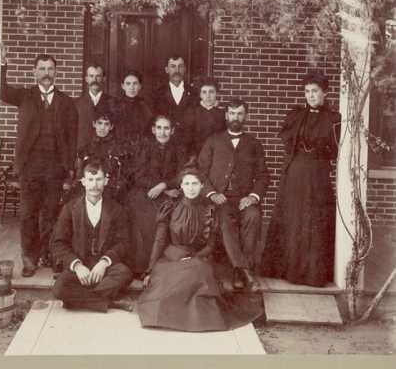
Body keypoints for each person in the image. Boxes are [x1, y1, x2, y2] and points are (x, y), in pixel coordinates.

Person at [137, 168, 263, 332]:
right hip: (172, 258)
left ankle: (193, 319)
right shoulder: (170, 207)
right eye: (187, 183)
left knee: (198, 274)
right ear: (181, 186)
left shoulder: (210, 210)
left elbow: (210, 245)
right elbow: (160, 240)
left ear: (202, 185)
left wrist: (192, 257)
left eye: (195, 183)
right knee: (169, 287)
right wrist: (149, 270)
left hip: (198, 259)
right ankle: (171, 315)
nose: (191, 188)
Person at [0, 44, 78, 277]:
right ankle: (30, 257)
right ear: (34, 72)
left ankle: (51, 254)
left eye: (50, 68)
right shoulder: (24, 96)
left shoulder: (66, 102)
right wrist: (3, 64)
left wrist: (69, 168)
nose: (46, 72)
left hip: (55, 167)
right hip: (30, 166)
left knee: (51, 213)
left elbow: (72, 138)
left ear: (56, 72)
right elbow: (1, 90)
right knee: (28, 214)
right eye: (42, 68)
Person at [261, 71, 341, 287]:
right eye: (307, 91)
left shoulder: (334, 119)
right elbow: (288, 143)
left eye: (315, 91)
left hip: (317, 173)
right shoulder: (296, 115)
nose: (310, 95)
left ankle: (311, 274)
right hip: (295, 172)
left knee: (313, 219)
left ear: (325, 92)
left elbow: (334, 150)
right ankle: (287, 269)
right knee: (293, 217)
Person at [198, 98, 269, 290]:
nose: (235, 117)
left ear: (246, 116)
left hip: (244, 198)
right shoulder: (213, 141)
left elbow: (263, 176)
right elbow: (200, 173)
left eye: (239, 113)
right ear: (226, 115)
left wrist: (252, 197)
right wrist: (212, 193)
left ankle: (239, 270)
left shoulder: (254, 144)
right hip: (220, 199)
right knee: (224, 219)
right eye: (231, 113)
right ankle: (244, 271)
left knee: (253, 216)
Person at [52, 159, 134, 312]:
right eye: (90, 179)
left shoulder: (116, 209)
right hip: (80, 266)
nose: (94, 185)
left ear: (106, 181)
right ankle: (109, 303)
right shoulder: (70, 209)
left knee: (124, 273)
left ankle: (77, 300)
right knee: (59, 288)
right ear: (83, 182)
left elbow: (124, 243)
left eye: (98, 180)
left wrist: (104, 262)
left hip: (105, 268)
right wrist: (77, 266)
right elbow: (58, 243)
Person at [126, 115, 187, 276]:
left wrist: (164, 186)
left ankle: (161, 266)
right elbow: (139, 175)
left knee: (168, 216)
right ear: (153, 130)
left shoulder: (179, 149)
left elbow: (182, 174)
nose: (162, 132)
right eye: (159, 128)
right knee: (143, 218)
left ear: (172, 131)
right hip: (145, 191)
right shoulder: (145, 148)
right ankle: (141, 267)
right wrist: (160, 188)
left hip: (169, 191)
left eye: (166, 128)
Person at [75, 111, 131, 202]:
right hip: (88, 187)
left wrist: (112, 183)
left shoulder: (119, 148)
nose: (102, 127)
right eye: (99, 123)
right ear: (94, 124)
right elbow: (79, 173)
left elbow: (123, 175)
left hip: (110, 188)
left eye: (106, 124)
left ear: (111, 127)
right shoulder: (85, 148)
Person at [152, 55, 196, 149]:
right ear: (167, 69)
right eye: (173, 66)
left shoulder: (194, 93)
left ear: (184, 69)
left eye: (180, 66)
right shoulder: (157, 94)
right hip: (164, 148)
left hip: (188, 147)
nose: (177, 70)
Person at [75, 63, 116, 151]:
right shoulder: (76, 104)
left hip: (106, 153)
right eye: (91, 76)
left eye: (98, 76)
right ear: (86, 79)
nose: (94, 79)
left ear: (104, 79)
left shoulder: (113, 102)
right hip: (82, 154)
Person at [112, 70, 153, 152]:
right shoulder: (114, 106)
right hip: (120, 149)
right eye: (128, 84)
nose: (131, 87)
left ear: (140, 86)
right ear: (123, 86)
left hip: (141, 150)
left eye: (135, 83)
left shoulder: (146, 106)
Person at [185, 77, 226, 157]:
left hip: (217, 154)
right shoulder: (193, 112)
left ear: (217, 93)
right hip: (197, 154)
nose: (208, 96)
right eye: (204, 92)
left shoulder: (223, 113)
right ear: (200, 94)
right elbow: (188, 138)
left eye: (211, 92)